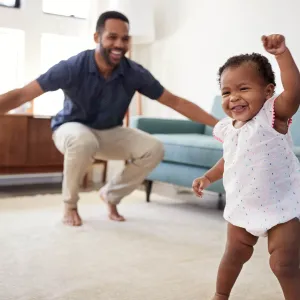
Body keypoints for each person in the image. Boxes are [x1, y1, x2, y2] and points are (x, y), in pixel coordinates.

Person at [0, 11, 218, 226]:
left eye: (124, 39)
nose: (119, 44)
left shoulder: (134, 73)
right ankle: (70, 205)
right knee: (83, 140)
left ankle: (111, 195)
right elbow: (21, 94)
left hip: (109, 131)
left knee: (154, 148)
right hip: (70, 128)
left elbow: (175, 102)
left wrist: (220, 125)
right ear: (97, 38)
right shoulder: (72, 67)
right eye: (112, 37)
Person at [192, 34, 300, 300]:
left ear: (268, 91)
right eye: (226, 92)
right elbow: (230, 158)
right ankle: (220, 295)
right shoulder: (229, 129)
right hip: (243, 202)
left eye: (243, 88)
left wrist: (282, 55)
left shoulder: (273, 116)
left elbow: (295, 90)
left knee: (283, 264)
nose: (233, 97)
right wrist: (208, 177)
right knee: (233, 255)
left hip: (281, 205)